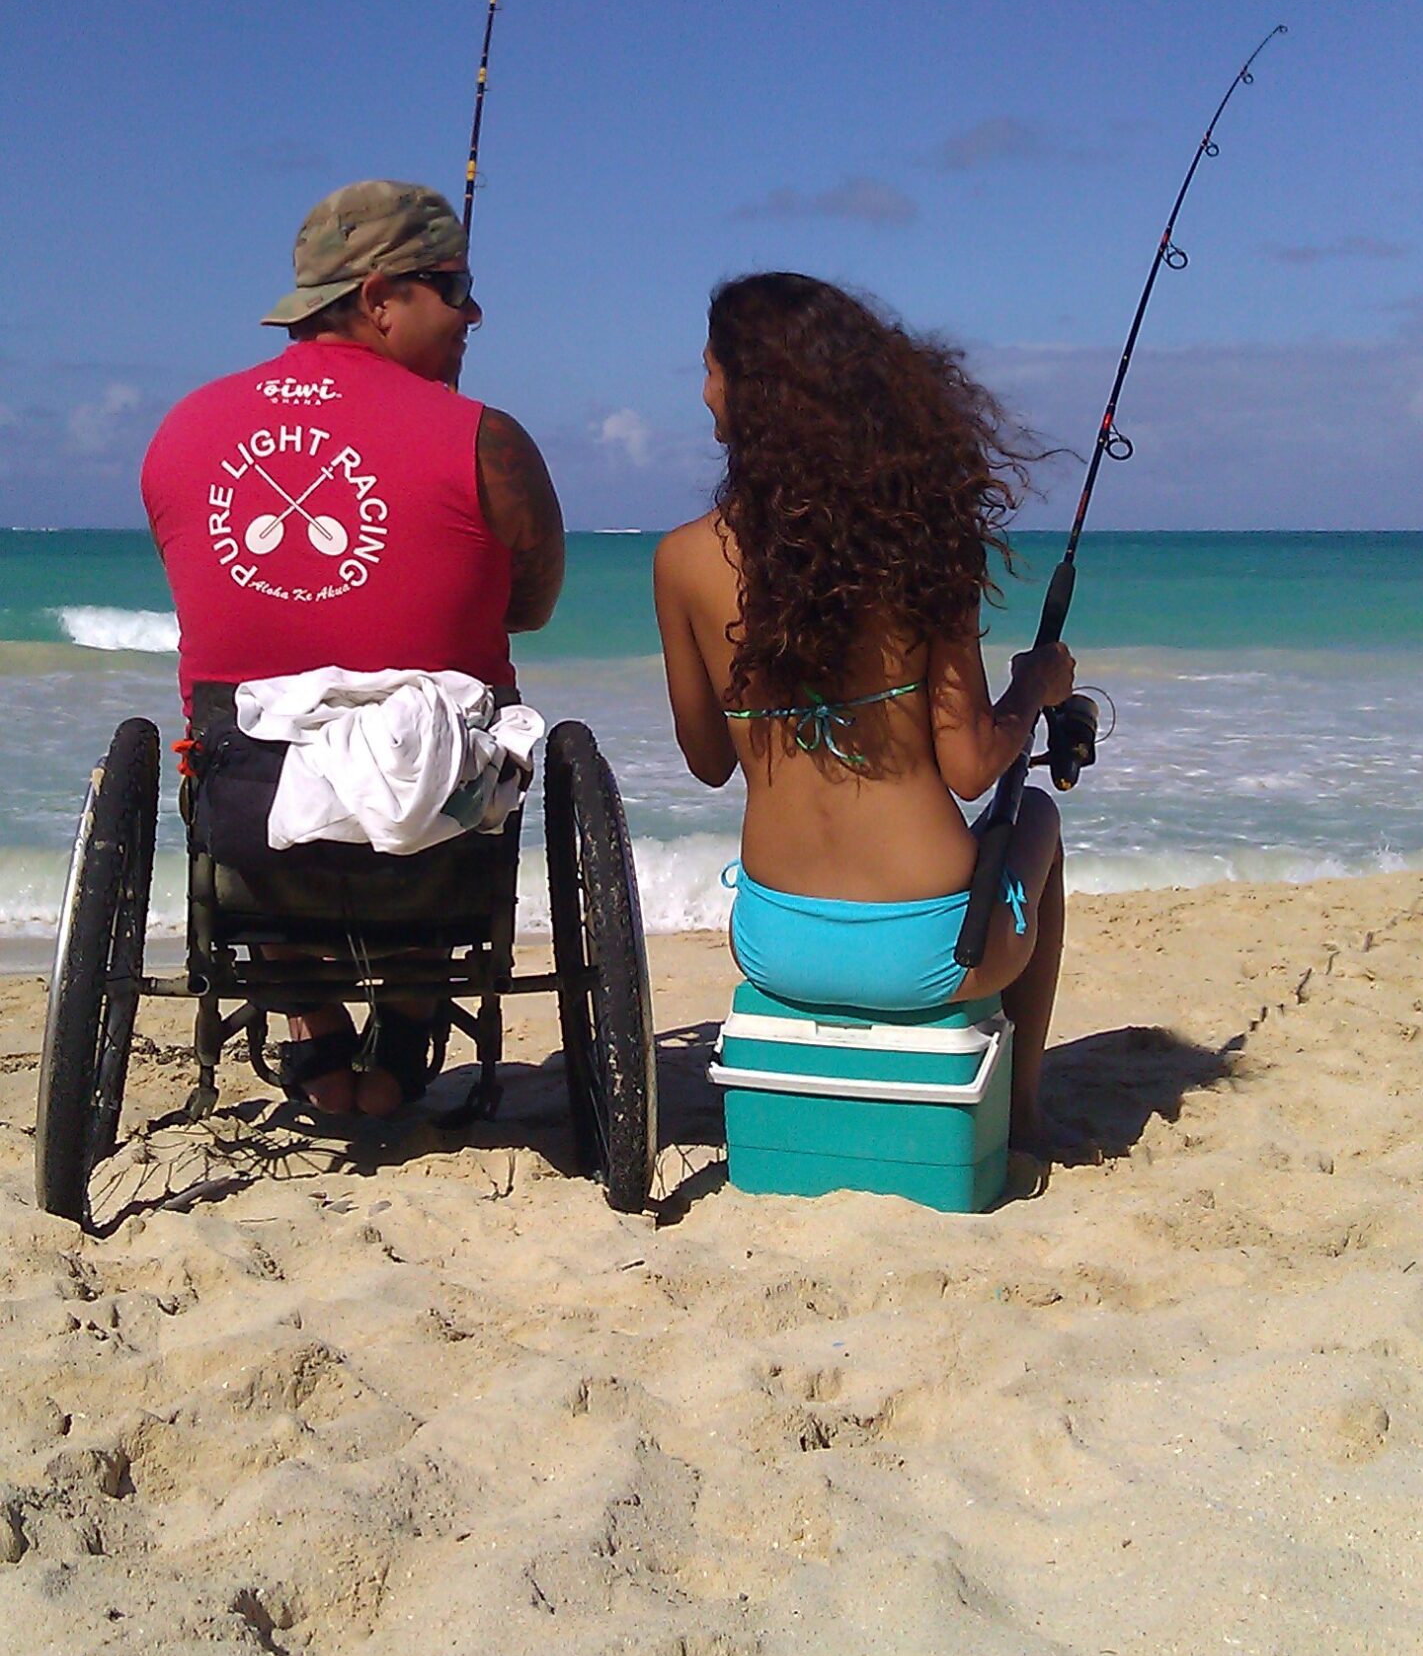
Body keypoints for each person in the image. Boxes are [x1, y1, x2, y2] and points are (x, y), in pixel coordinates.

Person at [142, 179, 564, 1117]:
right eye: (453, 288)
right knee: (459, 715)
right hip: (440, 833)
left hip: (253, 832)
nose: (473, 311)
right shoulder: (487, 440)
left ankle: (313, 1023)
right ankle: (413, 1006)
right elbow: (528, 609)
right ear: (379, 298)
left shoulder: (180, 432)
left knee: (260, 731)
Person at [653, 271, 1079, 1163]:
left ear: (757, 392)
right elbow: (970, 768)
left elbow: (705, 761)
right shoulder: (922, 547)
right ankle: (1027, 1106)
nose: (703, 391)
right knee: (1035, 815)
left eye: (711, 369)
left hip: (774, 944)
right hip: (933, 951)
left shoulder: (681, 560)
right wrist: (1032, 693)